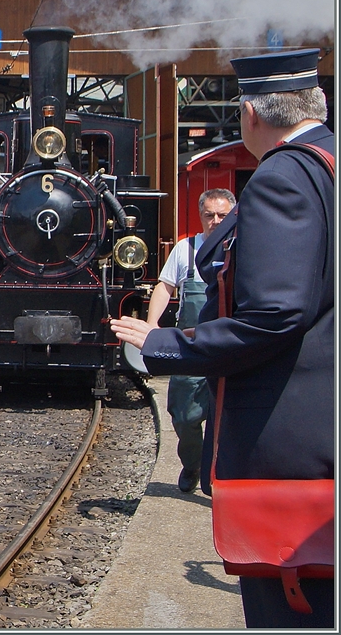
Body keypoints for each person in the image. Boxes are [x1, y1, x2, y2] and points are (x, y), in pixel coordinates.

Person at [111, 47, 333, 629]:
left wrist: (164, 345)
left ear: (252, 115)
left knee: (296, 607)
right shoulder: (330, 163)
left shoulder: (282, 178)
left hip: (297, 440)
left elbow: (275, 315)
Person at [144, 187, 236, 493]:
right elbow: (164, 286)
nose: (215, 220)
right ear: (200, 216)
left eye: (222, 215)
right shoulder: (185, 249)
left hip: (229, 345)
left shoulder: (241, 248)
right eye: (209, 215)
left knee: (230, 416)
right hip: (191, 346)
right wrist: (152, 324)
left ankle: (221, 476)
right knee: (184, 415)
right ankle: (193, 463)